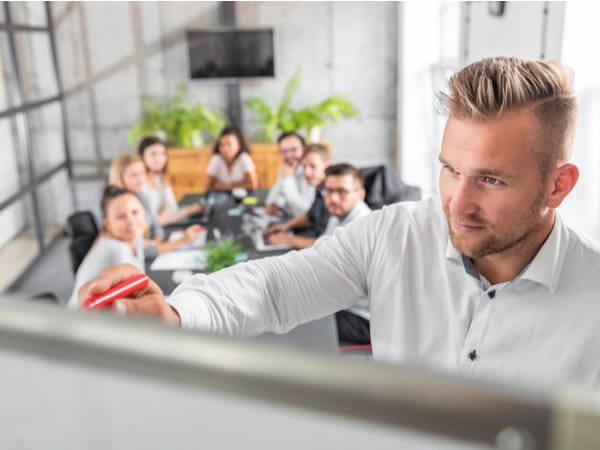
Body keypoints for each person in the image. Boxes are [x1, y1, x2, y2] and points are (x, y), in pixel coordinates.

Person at [79, 57, 600, 388]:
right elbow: (275, 287)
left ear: (558, 185)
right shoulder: (393, 234)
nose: (456, 203)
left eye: (491, 181)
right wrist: (174, 312)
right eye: (449, 169)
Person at [67, 186, 147, 309]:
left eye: (135, 212)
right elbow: (138, 296)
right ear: (107, 224)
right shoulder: (115, 248)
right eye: (121, 217)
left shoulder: (135, 239)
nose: (131, 221)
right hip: (84, 323)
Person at [318, 164, 372, 345]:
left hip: (365, 318)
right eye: (328, 190)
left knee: (298, 324)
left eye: (341, 191)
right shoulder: (338, 215)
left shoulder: (362, 227)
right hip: (344, 304)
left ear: (360, 194)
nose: (333, 198)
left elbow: (334, 281)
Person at [108, 153, 200, 256]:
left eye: (142, 173)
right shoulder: (119, 205)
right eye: (134, 175)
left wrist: (155, 242)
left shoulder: (139, 194)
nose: (141, 179)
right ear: (120, 177)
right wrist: (182, 241)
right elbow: (141, 251)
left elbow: (156, 227)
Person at [263, 143, 332, 249]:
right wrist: (285, 226)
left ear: (327, 165)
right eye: (304, 167)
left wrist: (287, 239)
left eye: (312, 166)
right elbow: (310, 216)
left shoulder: (333, 197)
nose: (306, 173)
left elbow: (328, 244)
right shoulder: (320, 189)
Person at [137, 136, 203, 226]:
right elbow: (149, 222)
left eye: (163, 153)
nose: (159, 158)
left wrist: (168, 215)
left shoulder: (161, 177)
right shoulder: (141, 183)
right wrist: (188, 210)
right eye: (153, 154)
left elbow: (172, 207)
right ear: (142, 156)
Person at [264, 132, 315, 216]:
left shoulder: (309, 171)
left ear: (303, 148)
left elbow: (305, 211)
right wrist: (271, 203)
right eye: (284, 151)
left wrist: (288, 178)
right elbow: (276, 189)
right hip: (286, 217)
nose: (288, 155)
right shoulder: (286, 167)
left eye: (293, 149)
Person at [204, 125, 259, 192]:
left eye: (229, 144)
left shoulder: (244, 158)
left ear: (238, 146)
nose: (225, 149)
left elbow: (253, 185)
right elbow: (207, 187)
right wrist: (241, 185)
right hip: (220, 197)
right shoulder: (216, 159)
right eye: (222, 145)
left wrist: (224, 187)